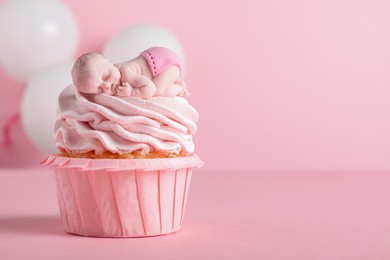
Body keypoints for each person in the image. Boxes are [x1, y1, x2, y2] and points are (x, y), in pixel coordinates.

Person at [71, 47, 188, 98]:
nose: (107, 85)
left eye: (106, 76)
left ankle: (179, 88)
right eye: (100, 90)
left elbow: (149, 88)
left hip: (167, 64)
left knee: (158, 91)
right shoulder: (117, 73)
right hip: (156, 57)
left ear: (110, 63)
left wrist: (131, 92)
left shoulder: (126, 74)